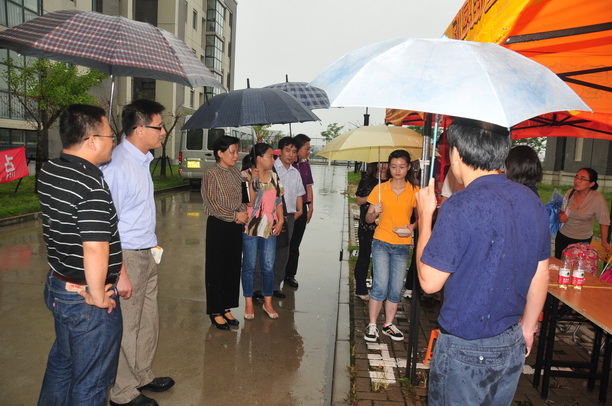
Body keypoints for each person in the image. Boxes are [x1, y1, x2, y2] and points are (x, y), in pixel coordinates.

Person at [416, 118, 550, 405]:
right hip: (511, 340)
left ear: (456, 153)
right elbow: (540, 273)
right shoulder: (531, 200)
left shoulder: (460, 204)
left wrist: (425, 217)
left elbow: (429, 282)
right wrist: (528, 328)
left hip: (466, 347)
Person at [37, 104, 122, 405]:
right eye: (111, 136)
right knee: (92, 383)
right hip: (85, 299)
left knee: (63, 364)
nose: (113, 142)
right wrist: (98, 295)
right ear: (92, 141)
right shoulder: (90, 184)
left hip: (59, 286)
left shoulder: (50, 169)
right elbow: (95, 246)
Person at [102, 100, 175, 406]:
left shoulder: (142, 161)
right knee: (127, 325)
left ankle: (142, 374)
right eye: (159, 126)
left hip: (147, 251)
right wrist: (119, 270)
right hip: (127, 256)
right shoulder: (118, 166)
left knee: (148, 320)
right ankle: (122, 393)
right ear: (140, 128)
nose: (163, 132)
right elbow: (106, 225)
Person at [363, 150, 418, 343]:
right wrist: (374, 212)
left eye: (401, 166)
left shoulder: (414, 190)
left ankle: (388, 324)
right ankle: (372, 325)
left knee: (396, 287)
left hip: (402, 244)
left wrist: (412, 226)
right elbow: (368, 219)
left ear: (408, 167)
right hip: (381, 241)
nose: (397, 170)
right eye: (393, 166)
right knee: (380, 285)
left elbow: (422, 216)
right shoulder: (380, 189)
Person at [201, 135, 248, 329]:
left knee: (232, 267)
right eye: (232, 152)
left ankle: (226, 307)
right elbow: (211, 203)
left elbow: (243, 197)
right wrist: (235, 215)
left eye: (237, 151)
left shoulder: (237, 172)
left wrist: (242, 212)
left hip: (236, 226)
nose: (236, 155)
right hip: (218, 226)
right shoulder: (211, 173)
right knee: (216, 268)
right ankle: (215, 311)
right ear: (220, 153)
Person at [254, 137, 304, 298]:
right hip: (268, 216)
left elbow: (299, 193)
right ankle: (257, 287)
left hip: (288, 217)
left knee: (283, 252)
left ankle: (275, 286)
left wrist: (299, 210)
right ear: (280, 151)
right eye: (287, 150)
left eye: (294, 152)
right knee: (262, 251)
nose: (291, 154)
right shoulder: (271, 169)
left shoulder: (296, 172)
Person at [241, 144, 285, 319]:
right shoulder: (245, 175)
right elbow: (250, 203)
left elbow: (278, 201)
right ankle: (249, 303)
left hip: (269, 228)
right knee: (249, 266)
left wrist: (280, 220)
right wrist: (253, 179)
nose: (273, 159)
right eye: (270, 156)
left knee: (268, 267)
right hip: (250, 228)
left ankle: (268, 303)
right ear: (259, 158)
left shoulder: (274, 176)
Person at [555, 167, 610, 258]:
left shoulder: (597, 198)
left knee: (577, 265)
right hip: (562, 236)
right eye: (576, 177)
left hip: (582, 241)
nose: (577, 181)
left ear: (591, 184)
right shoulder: (570, 193)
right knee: (559, 263)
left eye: (582, 179)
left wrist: (604, 241)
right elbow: (562, 211)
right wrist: (561, 216)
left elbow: (604, 221)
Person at [354, 162, 388, 301]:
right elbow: (358, 200)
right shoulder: (367, 179)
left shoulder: (392, 182)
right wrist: (373, 195)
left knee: (381, 260)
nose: (384, 165)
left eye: (387, 162)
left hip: (385, 226)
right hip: (367, 225)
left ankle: (378, 289)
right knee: (364, 256)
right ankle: (361, 288)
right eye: (381, 162)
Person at [284, 133, 314, 288]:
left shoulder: (305, 166)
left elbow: (308, 187)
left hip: (301, 208)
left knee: (295, 244)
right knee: (283, 244)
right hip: (286, 209)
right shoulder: (286, 166)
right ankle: (278, 273)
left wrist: (310, 207)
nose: (308, 151)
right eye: (306, 149)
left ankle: (290, 274)